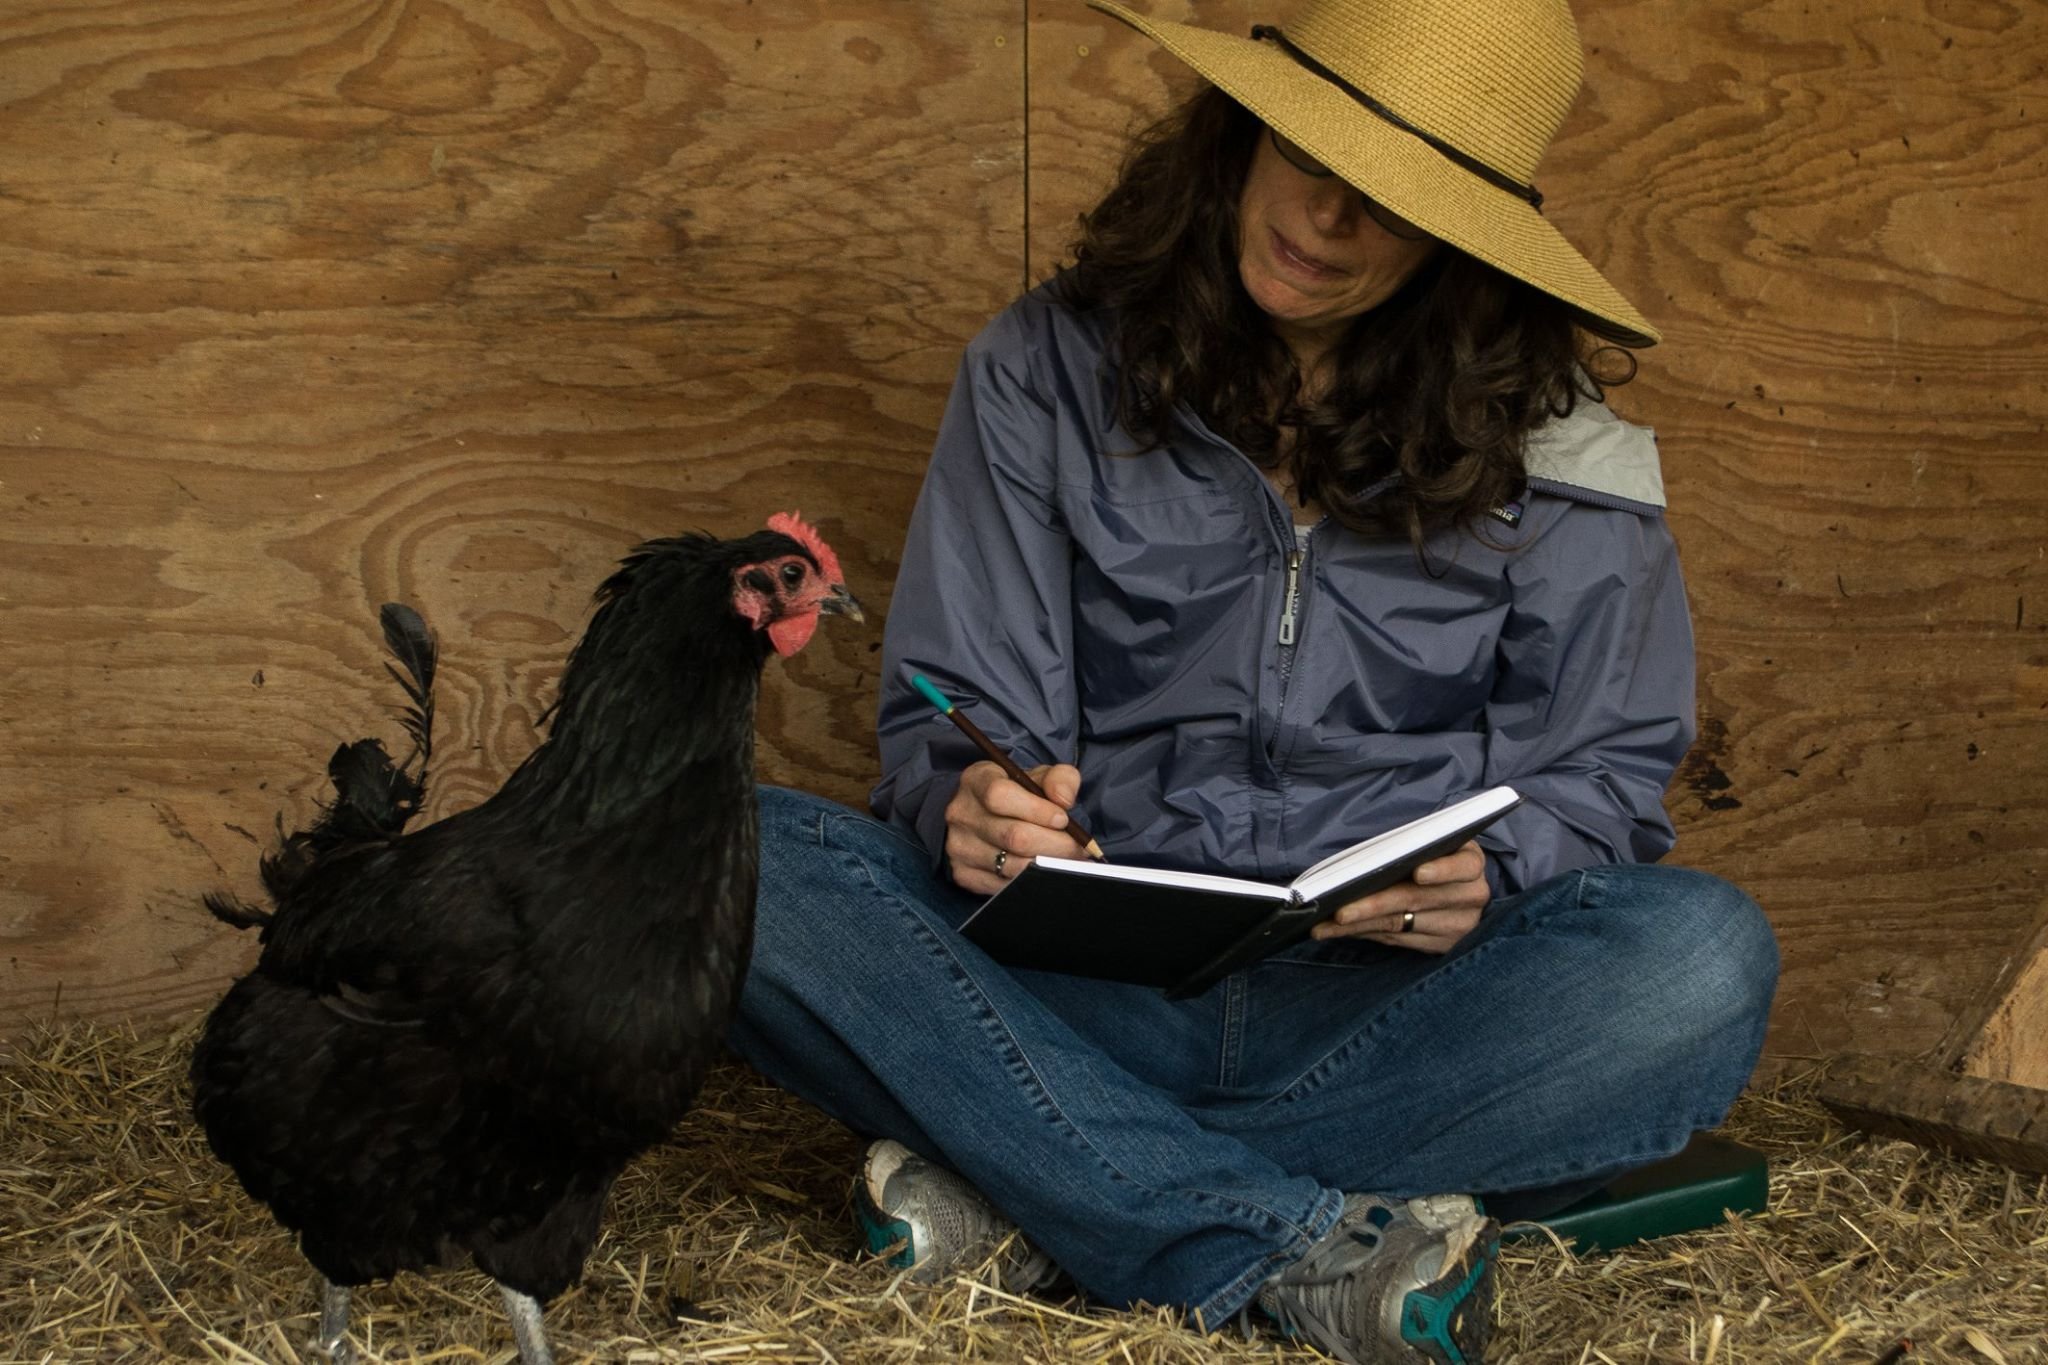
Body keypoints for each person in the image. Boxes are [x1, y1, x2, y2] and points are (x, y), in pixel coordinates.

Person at [728, 0, 1779, 1360]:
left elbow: (1605, 773)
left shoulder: (1561, 446)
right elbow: (957, 705)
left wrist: (1500, 864)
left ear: (1462, 239)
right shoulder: (1042, 370)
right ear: (1243, 128)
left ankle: (1044, 1187)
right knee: (735, 859)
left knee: (1696, 961)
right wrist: (970, 799)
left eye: (1391, 199)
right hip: (1072, 990)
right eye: (1311, 151)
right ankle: (1285, 1235)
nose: (1329, 217)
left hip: (1397, 1014)